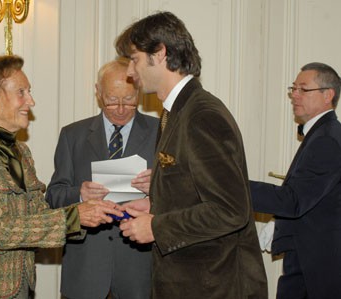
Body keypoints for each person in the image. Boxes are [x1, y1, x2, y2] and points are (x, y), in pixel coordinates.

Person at [0, 55, 123, 299]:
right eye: (21, 92)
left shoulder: (20, 152)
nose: (31, 101)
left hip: (13, 287)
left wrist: (85, 210)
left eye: (30, 92)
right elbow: (0, 229)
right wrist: (74, 217)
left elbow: (36, 215)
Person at [115, 11, 268, 298]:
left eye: (134, 59)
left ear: (159, 53)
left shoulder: (201, 115)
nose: (130, 72)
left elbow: (230, 210)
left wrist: (156, 227)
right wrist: (153, 203)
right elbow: (193, 188)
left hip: (212, 287)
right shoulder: (174, 112)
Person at [45, 57, 158, 299]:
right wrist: (79, 194)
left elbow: (186, 195)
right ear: (98, 93)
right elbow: (53, 196)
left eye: (128, 100)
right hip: (85, 272)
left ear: (138, 90)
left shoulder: (162, 133)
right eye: (111, 100)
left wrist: (157, 188)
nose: (119, 109)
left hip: (140, 272)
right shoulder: (72, 135)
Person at [250, 62, 341, 298]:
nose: (294, 95)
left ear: (327, 95)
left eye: (303, 89)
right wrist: (277, 224)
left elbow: (294, 201)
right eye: (293, 88)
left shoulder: (327, 139)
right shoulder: (323, 133)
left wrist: (233, 186)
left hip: (316, 270)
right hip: (309, 261)